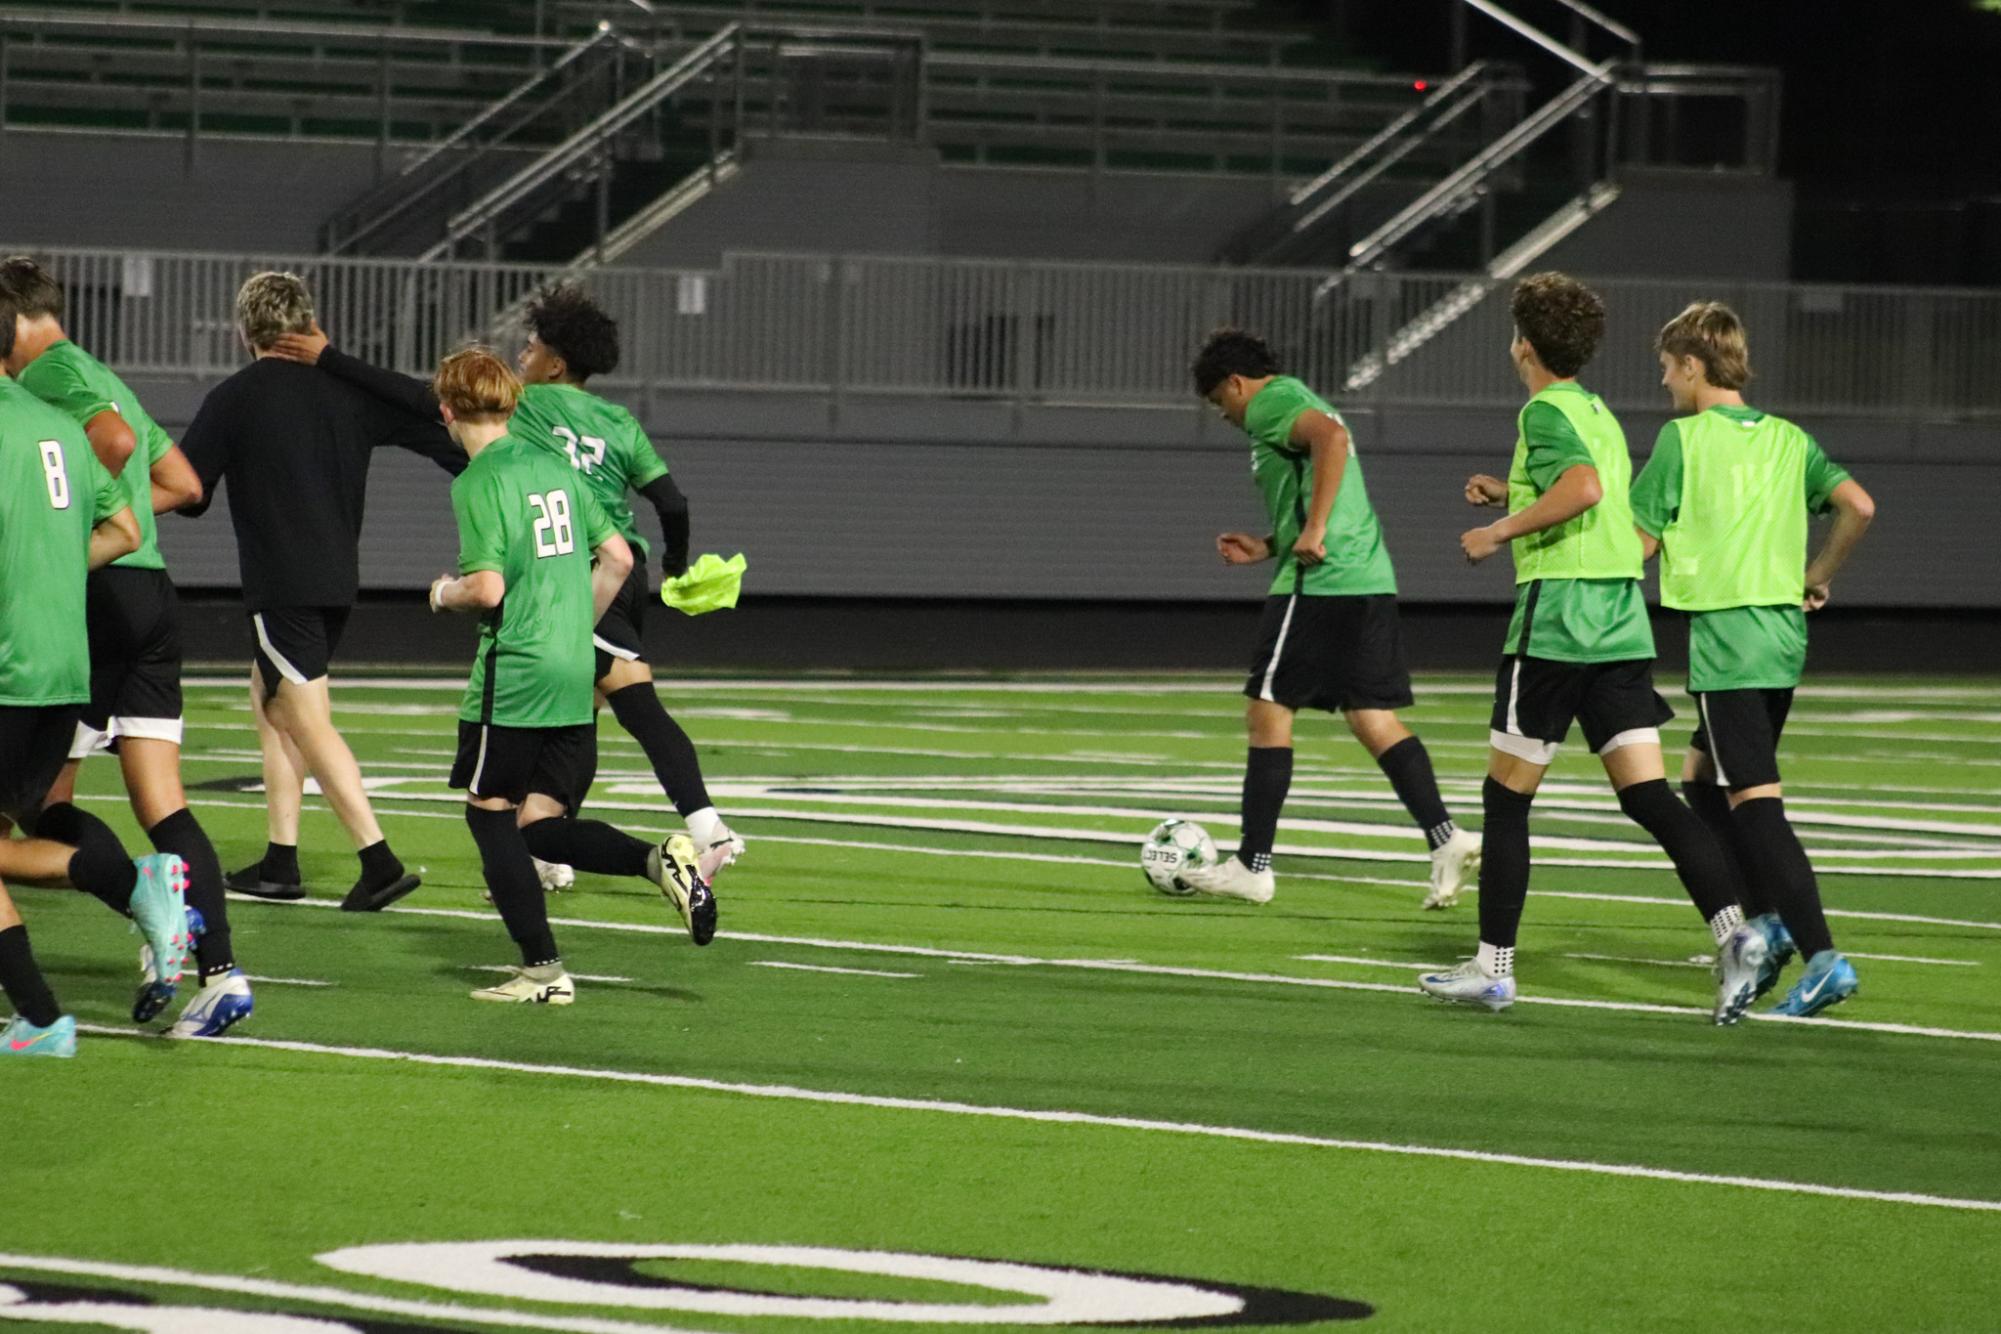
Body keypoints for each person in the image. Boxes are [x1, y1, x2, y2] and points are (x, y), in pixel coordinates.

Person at [272, 283, 743, 892]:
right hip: (623, 567)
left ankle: (705, 831)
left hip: (567, 571)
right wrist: (678, 567)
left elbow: (428, 399)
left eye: (534, 344)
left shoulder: (529, 405)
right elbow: (671, 502)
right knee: (580, 714)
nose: (523, 352)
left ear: (556, 363)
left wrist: (331, 358)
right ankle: (550, 840)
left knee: (626, 699)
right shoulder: (621, 422)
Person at [1416, 272, 1763, 1023]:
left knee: (1505, 801)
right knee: (1648, 798)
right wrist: (1511, 493)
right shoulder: (1594, 410)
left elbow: (1580, 490)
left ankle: (1493, 968)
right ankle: (1735, 936)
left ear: (1524, 346)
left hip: (1556, 623)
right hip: (1618, 622)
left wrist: (1496, 532)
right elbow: (1590, 490)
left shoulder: (1543, 409)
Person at [0, 256, 250, 1037]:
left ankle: (142, 901)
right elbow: (180, 483)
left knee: (43, 806)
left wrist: (48, 538)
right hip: (150, 592)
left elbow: (106, 440)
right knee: (162, 801)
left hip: (94, 600)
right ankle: (219, 974)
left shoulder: (46, 380)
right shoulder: (101, 369)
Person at [425, 347, 715, 1002]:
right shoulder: (556, 469)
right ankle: (655, 859)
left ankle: (542, 970)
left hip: (518, 669)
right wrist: (570, 624)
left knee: (488, 814)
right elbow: (615, 556)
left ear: (447, 410)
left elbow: (488, 587)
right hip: (575, 664)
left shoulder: (475, 481)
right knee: (539, 824)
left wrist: (442, 593)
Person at [178, 271, 465, 912]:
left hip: (282, 584)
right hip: (337, 579)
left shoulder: (236, 396)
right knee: (270, 701)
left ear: (243, 331)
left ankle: (377, 858)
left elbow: (190, 494)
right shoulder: (347, 392)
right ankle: (280, 861)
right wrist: (337, 361)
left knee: (303, 718)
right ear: (308, 325)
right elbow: (434, 412)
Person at [1633, 301, 1877, 1018]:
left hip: (1727, 642)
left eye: (1665, 370)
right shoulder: (1787, 439)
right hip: (1778, 640)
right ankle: (1764, 924)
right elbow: (1858, 506)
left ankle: (1820, 954)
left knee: (1754, 804)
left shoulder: (1682, 440)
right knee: (1701, 781)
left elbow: (1637, 541)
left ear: (1690, 366)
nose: (1662, 383)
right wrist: (1816, 573)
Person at [1181, 328, 1481, 907]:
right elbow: (1325, 464)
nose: (1225, 415)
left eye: (1221, 402)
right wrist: (1270, 543)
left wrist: (1313, 531)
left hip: (1322, 584)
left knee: (1268, 707)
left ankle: (1253, 863)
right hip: (1366, 579)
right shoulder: (1299, 395)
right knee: (1372, 717)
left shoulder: (1270, 403)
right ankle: (1446, 838)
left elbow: (1331, 440)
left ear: (1236, 384)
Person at [0, 308, 191, 1056]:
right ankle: (133, 887)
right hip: (64, 666)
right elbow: (126, 532)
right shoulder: (54, 424)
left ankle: (45, 1018)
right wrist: (46, 577)